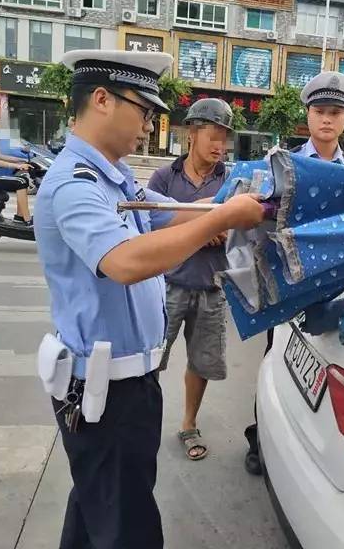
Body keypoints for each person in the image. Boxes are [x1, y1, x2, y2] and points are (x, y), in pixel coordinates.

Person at [33, 50, 264, 549]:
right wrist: (222, 218)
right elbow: (125, 261)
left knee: (100, 506)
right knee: (127, 527)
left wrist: (231, 204)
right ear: (101, 100)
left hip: (128, 386)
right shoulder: (76, 185)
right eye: (143, 110)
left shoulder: (113, 178)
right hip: (105, 394)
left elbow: (167, 214)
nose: (148, 124)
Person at [243, 71, 344, 475]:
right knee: (276, 362)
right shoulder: (282, 165)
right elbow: (253, 216)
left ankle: (308, 442)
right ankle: (260, 437)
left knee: (324, 369)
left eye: (334, 112)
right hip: (287, 285)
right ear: (307, 116)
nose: (326, 119)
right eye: (319, 111)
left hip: (331, 288)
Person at [148, 98, 232, 461]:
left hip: (213, 287)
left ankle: (188, 423)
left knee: (202, 362)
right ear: (192, 134)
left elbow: (247, 228)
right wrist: (201, 230)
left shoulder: (231, 180)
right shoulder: (164, 179)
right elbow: (148, 229)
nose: (219, 145)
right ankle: (143, 424)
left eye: (224, 138)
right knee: (150, 359)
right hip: (169, 285)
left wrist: (228, 232)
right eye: (212, 135)